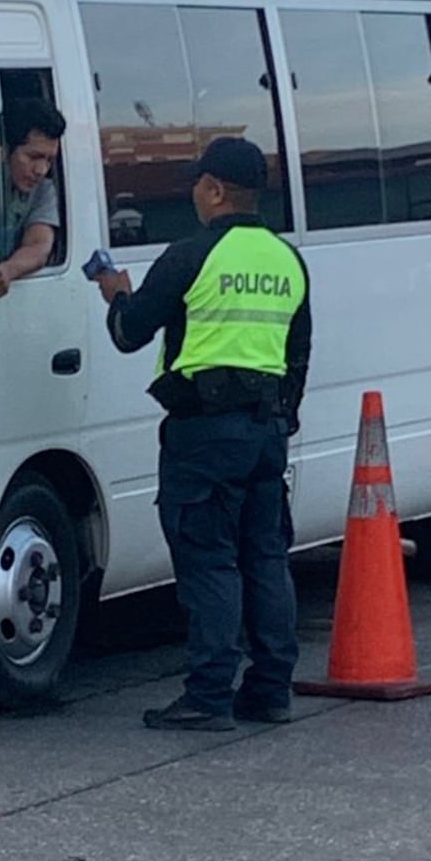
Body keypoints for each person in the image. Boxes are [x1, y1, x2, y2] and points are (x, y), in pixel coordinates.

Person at [92, 136, 311, 730]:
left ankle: (209, 696)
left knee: (209, 562)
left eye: (197, 183)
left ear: (214, 190)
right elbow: (298, 353)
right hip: (266, 430)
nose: (193, 193)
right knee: (265, 557)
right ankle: (271, 689)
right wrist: (281, 419)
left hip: (204, 435)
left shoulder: (190, 256)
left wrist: (116, 295)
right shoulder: (287, 260)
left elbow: (130, 333)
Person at [0, 98, 66, 299]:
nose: (41, 170)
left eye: (49, 160)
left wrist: (6, 271)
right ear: (5, 149)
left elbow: (38, 246)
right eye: (33, 157)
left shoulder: (43, 191)